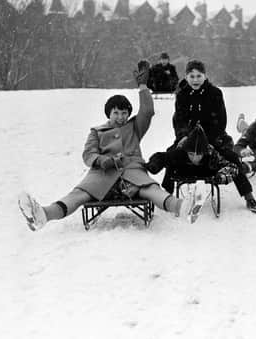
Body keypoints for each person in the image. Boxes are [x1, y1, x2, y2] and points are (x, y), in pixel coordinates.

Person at [17, 61, 201, 231]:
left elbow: (148, 111)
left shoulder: (134, 127)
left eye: (124, 113)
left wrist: (143, 87)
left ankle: (183, 207)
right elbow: (88, 155)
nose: (120, 117)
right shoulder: (97, 132)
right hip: (101, 176)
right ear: (109, 113)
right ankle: (44, 214)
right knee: (78, 195)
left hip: (132, 175)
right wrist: (102, 161)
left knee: (152, 190)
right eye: (116, 113)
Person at [164, 59, 256, 213]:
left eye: (199, 76)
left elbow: (220, 121)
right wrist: (184, 136)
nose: (195, 80)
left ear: (205, 76)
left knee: (232, 159)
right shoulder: (182, 94)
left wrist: (205, 141)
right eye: (192, 76)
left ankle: (249, 196)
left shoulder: (215, 93)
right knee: (170, 156)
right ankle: (165, 197)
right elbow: (179, 120)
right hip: (188, 139)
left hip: (213, 138)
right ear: (186, 77)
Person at [146, 124, 249, 220]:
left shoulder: (211, 154)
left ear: (204, 152)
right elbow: (161, 157)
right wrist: (154, 165)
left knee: (235, 161)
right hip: (184, 171)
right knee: (171, 160)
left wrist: (220, 177)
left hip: (206, 171)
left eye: (198, 154)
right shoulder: (180, 152)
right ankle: (168, 192)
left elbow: (232, 167)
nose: (195, 158)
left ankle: (250, 167)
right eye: (191, 154)